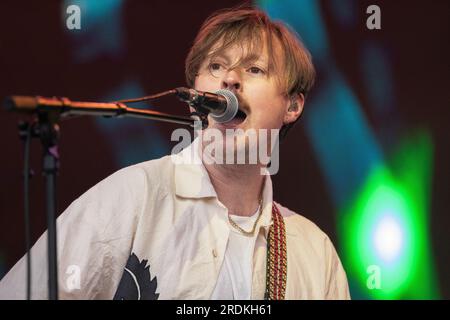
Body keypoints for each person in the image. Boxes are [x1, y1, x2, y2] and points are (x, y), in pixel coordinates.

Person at [0, 6, 350, 300]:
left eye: (254, 69)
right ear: (196, 92)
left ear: (292, 105)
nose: (229, 80)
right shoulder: (133, 198)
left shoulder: (313, 252)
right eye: (215, 67)